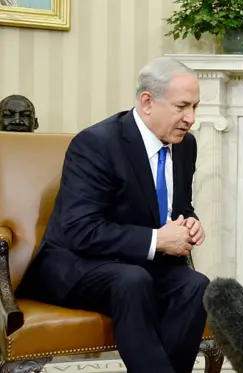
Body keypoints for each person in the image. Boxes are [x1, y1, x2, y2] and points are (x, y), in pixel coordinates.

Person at [17, 56, 209, 373]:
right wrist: (158, 239)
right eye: (182, 107)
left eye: (195, 107)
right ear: (147, 102)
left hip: (137, 263)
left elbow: (180, 207)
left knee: (196, 285)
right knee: (131, 280)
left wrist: (190, 223)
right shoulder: (96, 144)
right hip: (73, 263)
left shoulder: (185, 145)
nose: (190, 118)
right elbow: (79, 229)